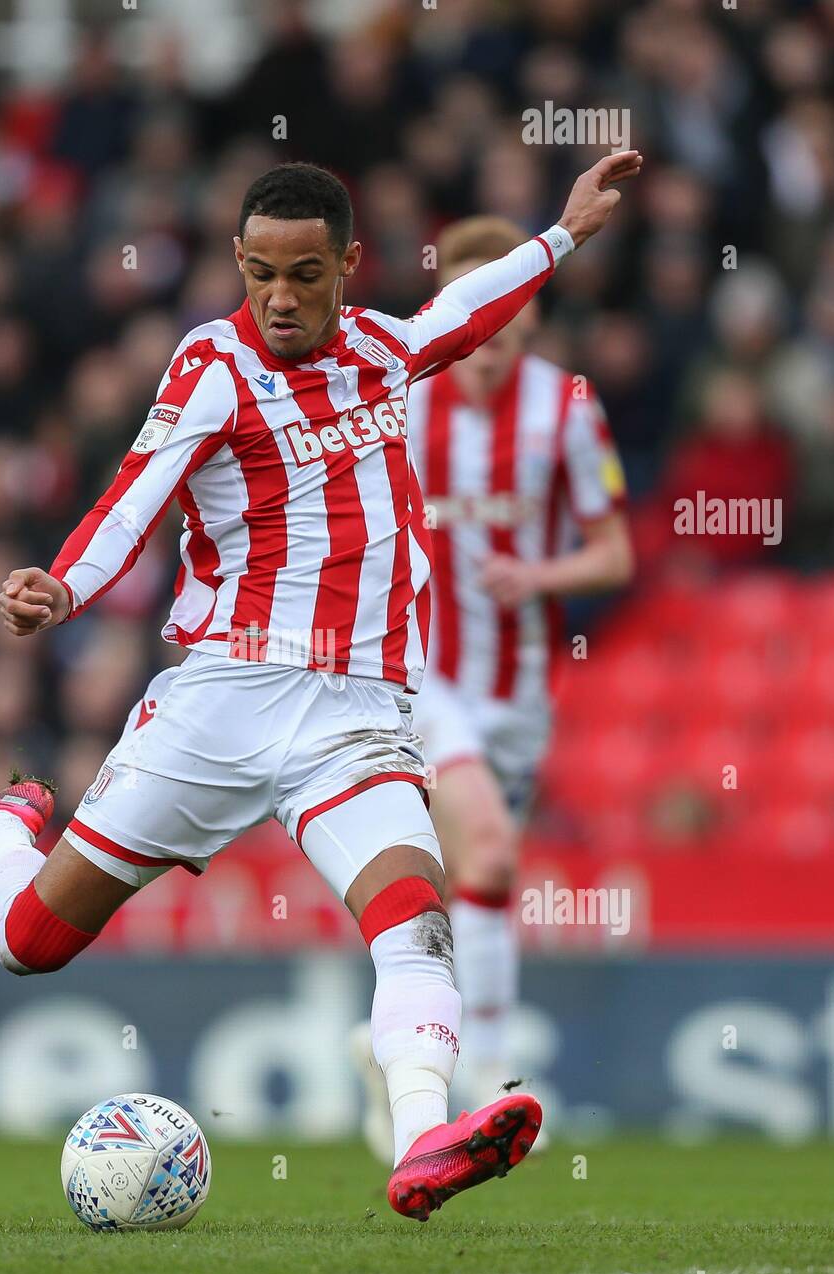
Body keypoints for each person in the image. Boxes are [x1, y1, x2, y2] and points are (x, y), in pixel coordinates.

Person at [0, 152, 642, 1220]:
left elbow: (468, 307)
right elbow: (136, 494)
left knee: (415, 919)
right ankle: (0, 830)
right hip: (221, 703)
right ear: (238, 263)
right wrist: (62, 588)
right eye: (261, 271)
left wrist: (566, 233)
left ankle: (421, 1140)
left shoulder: (385, 351)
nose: (282, 297)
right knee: (28, 941)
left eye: (305, 274)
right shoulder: (212, 366)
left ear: (348, 265)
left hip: (355, 715)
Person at [351, 215, 635, 1162]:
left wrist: (538, 578)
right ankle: (496, 1077)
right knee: (482, 841)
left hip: (516, 688)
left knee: (479, 875)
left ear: (525, 315)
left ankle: (402, 1054)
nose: (484, 349)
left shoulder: (566, 409)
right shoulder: (401, 398)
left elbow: (614, 553)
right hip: (417, 675)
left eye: (504, 326)